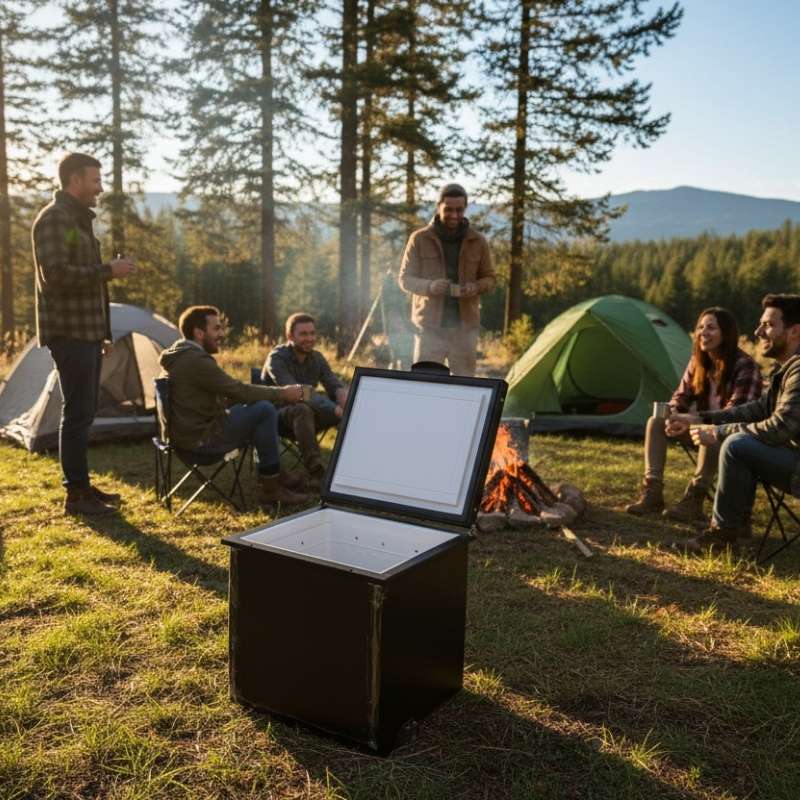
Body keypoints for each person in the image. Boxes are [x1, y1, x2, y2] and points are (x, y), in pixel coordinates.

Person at [32, 152, 136, 516]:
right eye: (95, 180)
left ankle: (81, 485)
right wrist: (108, 269)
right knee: (77, 413)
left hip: (88, 333)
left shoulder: (77, 219)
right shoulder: (53, 219)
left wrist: (103, 333)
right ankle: (75, 495)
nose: (100, 187)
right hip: (69, 331)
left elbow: (94, 288)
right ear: (75, 180)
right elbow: (56, 275)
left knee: (84, 412)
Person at [670, 294, 800, 554]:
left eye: (768, 325)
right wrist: (702, 419)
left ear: (795, 331)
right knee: (741, 443)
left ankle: (722, 535)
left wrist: (717, 432)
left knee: (737, 445)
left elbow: (779, 428)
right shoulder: (785, 369)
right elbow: (757, 410)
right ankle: (736, 525)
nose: (758, 331)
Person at [159, 306, 311, 508]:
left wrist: (245, 399)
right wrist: (283, 393)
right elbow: (238, 390)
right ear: (199, 332)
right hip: (200, 442)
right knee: (264, 410)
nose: (221, 334)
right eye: (216, 328)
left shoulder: (180, 355)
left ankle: (274, 477)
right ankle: (271, 488)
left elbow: (225, 394)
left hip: (186, 437)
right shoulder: (195, 361)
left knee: (257, 410)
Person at [626, 307, 762, 521]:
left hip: (732, 436)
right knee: (656, 421)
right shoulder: (698, 362)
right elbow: (680, 397)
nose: (702, 332)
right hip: (700, 426)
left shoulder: (745, 366)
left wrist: (694, 420)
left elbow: (735, 415)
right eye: (700, 327)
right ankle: (652, 492)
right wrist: (674, 416)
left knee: (709, 431)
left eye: (711, 327)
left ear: (726, 333)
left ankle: (695, 498)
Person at [398, 183, 495, 376]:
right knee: (425, 387)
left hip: (465, 331)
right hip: (429, 330)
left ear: (465, 208)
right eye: (448, 209)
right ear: (438, 206)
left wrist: (475, 287)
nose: (454, 215)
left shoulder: (478, 241)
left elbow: (491, 279)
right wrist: (430, 286)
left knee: (465, 389)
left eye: (459, 210)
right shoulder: (419, 239)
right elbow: (404, 279)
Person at [261, 313, 348, 490]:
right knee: (302, 409)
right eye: (303, 334)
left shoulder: (317, 358)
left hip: (309, 416)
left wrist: (342, 395)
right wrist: (334, 409)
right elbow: (299, 392)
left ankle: (355, 467)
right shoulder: (276, 358)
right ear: (290, 336)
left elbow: (332, 382)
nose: (309, 338)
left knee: (350, 408)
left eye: (312, 333)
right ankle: (318, 473)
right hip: (275, 418)